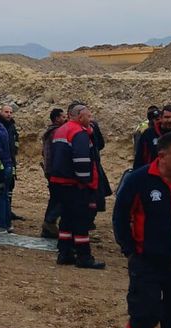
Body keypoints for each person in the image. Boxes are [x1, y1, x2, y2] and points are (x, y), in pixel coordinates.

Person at [113, 131, 171, 328]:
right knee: (145, 313)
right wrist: (130, 250)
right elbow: (120, 216)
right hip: (147, 262)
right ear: (162, 156)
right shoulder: (139, 180)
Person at [49, 104, 106, 269]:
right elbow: (81, 162)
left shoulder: (61, 130)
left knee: (66, 219)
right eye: (89, 116)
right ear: (80, 117)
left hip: (60, 182)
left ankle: (65, 252)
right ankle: (84, 256)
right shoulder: (79, 133)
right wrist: (87, 184)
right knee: (81, 220)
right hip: (75, 184)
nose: (91, 119)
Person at [40, 108, 66, 238]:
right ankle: (49, 223)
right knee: (60, 198)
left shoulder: (50, 132)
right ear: (56, 118)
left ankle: (48, 226)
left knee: (55, 198)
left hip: (51, 170)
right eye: (62, 117)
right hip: (55, 171)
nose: (65, 119)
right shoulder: (56, 132)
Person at [133, 105, 171, 169]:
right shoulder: (148, 133)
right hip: (151, 174)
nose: (170, 120)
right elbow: (139, 158)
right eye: (167, 117)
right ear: (161, 118)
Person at [0, 105, 21, 220]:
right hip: (0, 161)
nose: (9, 114)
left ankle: (8, 210)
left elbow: (15, 141)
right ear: (1, 112)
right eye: (6, 112)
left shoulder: (12, 126)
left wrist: (15, 151)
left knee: (10, 185)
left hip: (11, 160)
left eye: (11, 112)